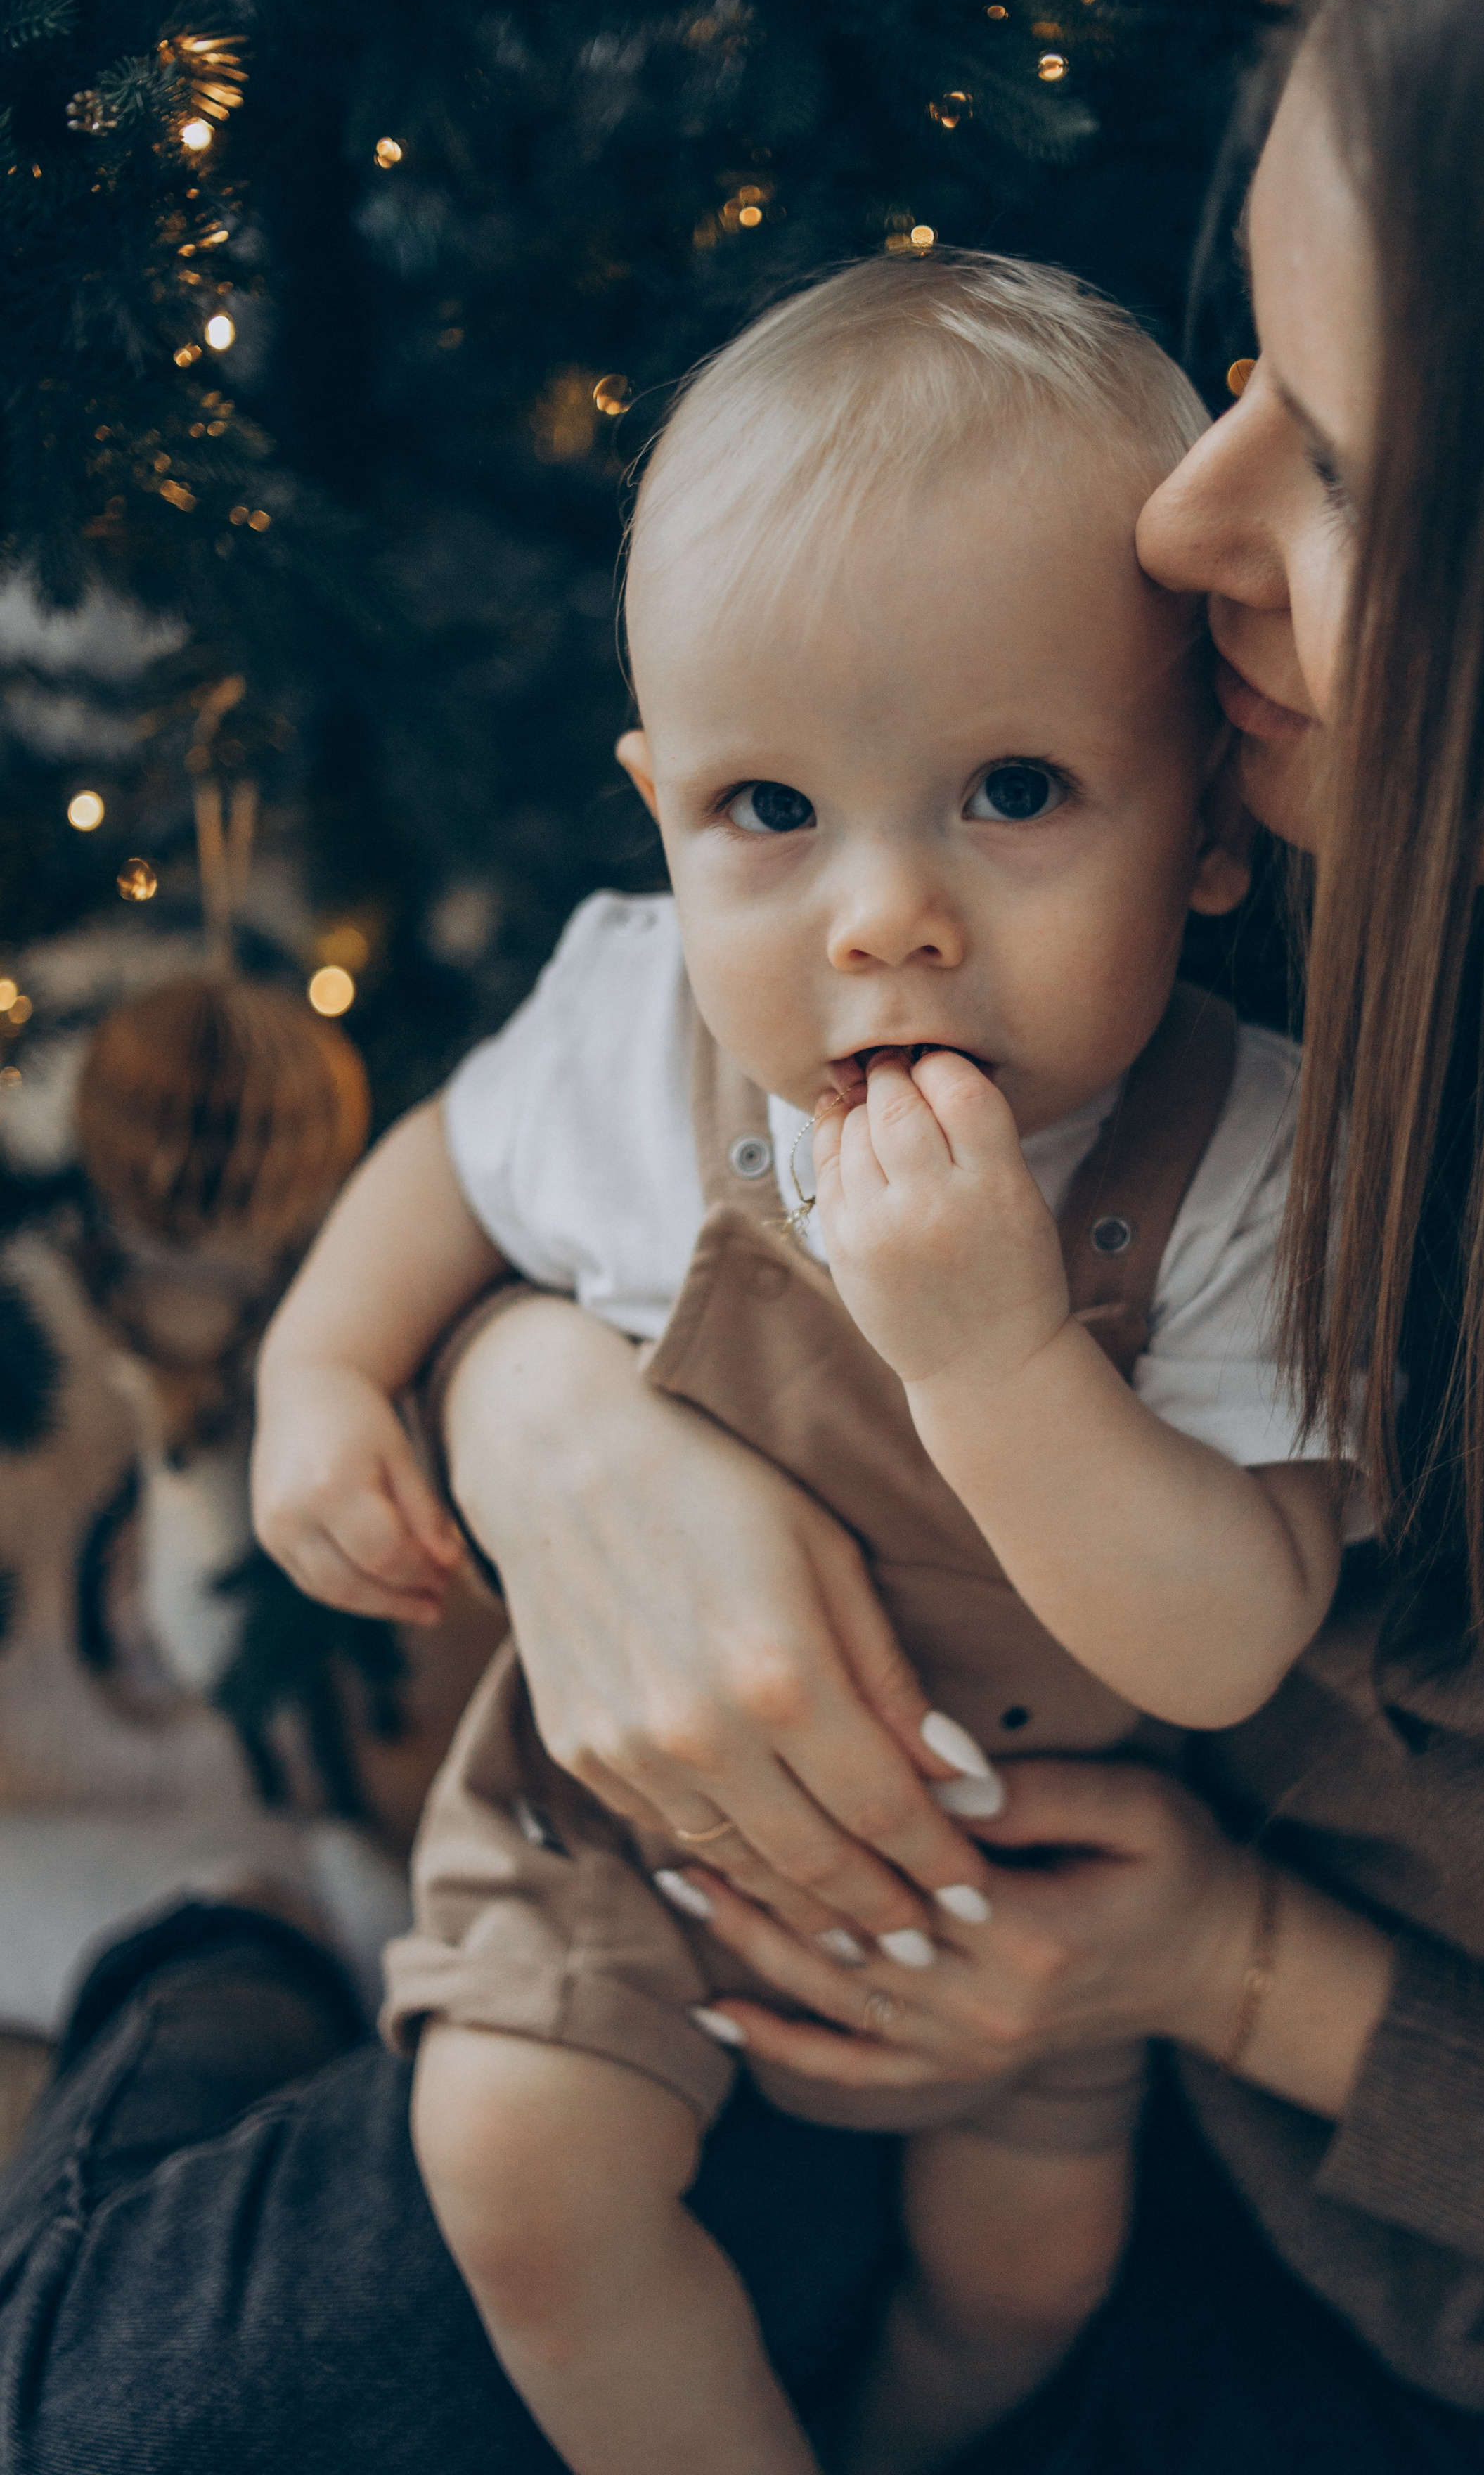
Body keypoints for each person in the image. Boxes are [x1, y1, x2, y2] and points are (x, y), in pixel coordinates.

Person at [3, 0, 1484, 2467]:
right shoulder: (1240, 782)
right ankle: (215, 1977)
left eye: (1341, 466)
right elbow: (562, 1148)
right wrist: (537, 1416)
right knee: (174, 2406)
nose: (1181, 526)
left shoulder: (1189, 914)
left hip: (1382, 2208)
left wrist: (1232, 1973)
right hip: (889, 1945)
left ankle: (221, 2010)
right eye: (1248, 377)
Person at [250, 252, 1345, 2475]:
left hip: (1018, 1898)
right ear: (658, 804)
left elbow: (1231, 1641)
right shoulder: (644, 1026)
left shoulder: (1244, 1158)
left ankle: (901, 2432)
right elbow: (448, 1166)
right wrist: (322, 1377)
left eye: (1013, 789)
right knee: (513, 2168)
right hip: (619, 1838)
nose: (880, 917)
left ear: (1210, 829)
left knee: (1030, 2267)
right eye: (769, 812)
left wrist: (1000, 1358)